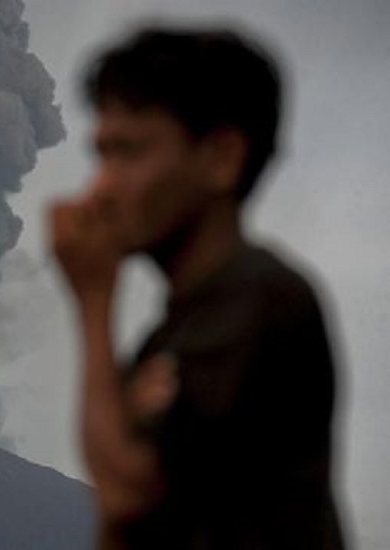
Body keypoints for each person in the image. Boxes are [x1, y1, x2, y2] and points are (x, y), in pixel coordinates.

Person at [48, 26, 345, 549]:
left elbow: (126, 493)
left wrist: (93, 298)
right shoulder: (173, 338)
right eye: (101, 155)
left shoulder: (264, 301)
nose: (101, 188)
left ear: (221, 159)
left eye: (129, 152)